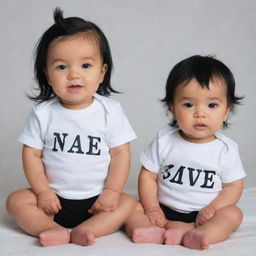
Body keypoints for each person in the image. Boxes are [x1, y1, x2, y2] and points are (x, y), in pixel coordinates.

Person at [6, 8, 137, 247]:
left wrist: (111, 192)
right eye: (62, 67)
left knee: (128, 203)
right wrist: (43, 191)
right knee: (16, 200)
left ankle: (89, 229)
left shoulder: (111, 111)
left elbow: (120, 154)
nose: (74, 74)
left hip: (97, 201)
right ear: (46, 74)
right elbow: (32, 154)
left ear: (102, 72)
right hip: (53, 201)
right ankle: (49, 227)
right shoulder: (43, 113)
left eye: (86, 66)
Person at [125, 55, 246, 250]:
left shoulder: (226, 150)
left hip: (206, 215)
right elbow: (148, 176)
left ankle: (201, 233)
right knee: (131, 206)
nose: (200, 113)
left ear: (227, 110)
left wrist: (213, 209)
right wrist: (152, 208)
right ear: (172, 108)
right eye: (188, 105)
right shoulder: (164, 141)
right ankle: (152, 229)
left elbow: (233, 186)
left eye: (212, 105)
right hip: (164, 210)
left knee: (234, 214)